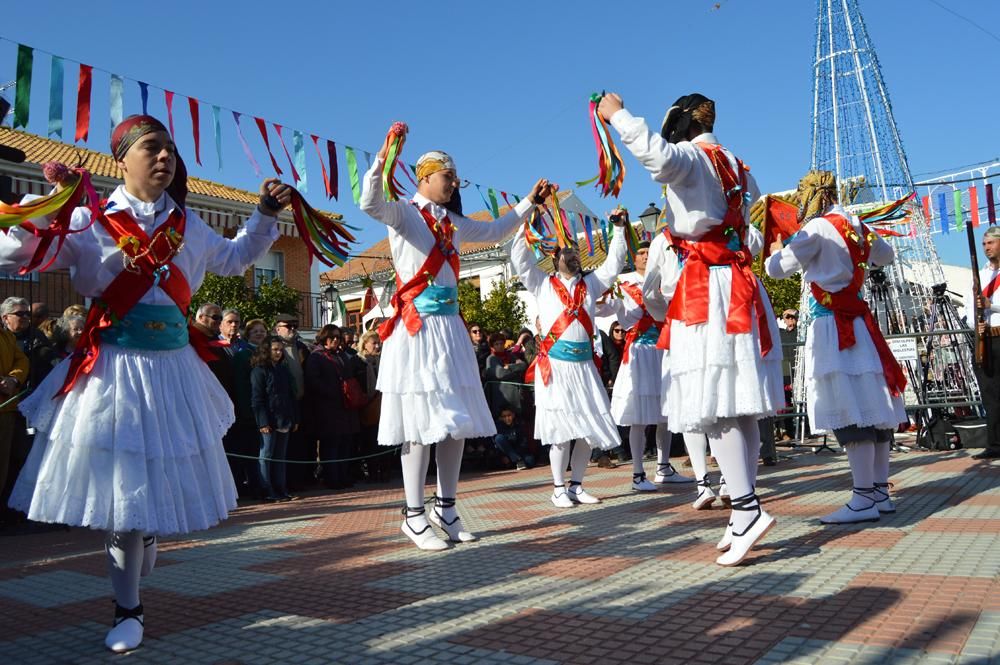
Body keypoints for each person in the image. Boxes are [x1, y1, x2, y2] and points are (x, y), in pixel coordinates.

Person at [0, 114, 290, 652]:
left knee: (149, 486)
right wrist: (41, 210)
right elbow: (15, 255)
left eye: (171, 152)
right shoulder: (89, 221)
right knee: (122, 497)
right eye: (152, 148)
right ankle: (127, 608)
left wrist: (265, 214)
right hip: (113, 371)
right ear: (122, 159)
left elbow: (234, 259)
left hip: (174, 370)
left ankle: (146, 535)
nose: (165, 159)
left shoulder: (189, 226)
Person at [601, 92, 784, 565]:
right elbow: (759, 237)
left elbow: (654, 157)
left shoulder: (690, 158)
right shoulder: (740, 167)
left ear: (680, 123)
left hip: (708, 288)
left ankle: (746, 510)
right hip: (741, 282)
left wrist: (615, 113)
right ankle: (741, 509)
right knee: (739, 404)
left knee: (714, 405)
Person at [360, 123, 554, 550]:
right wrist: (385, 155)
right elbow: (368, 200)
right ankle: (413, 516)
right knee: (419, 423)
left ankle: (446, 510)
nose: (453, 183)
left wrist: (529, 203)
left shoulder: (453, 222)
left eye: (454, 178)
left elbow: (497, 230)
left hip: (449, 329)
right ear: (424, 177)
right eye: (448, 177)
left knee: (455, 425)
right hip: (416, 330)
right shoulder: (404, 212)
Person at [766, 169, 906, 522]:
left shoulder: (816, 228)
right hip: (860, 320)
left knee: (849, 406)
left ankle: (862, 499)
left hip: (831, 323)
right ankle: (878, 492)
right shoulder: (857, 224)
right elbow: (886, 256)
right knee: (872, 403)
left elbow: (777, 269)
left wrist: (776, 249)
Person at [511, 210, 627, 507]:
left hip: (585, 367)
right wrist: (529, 223)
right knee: (561, 431)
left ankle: (576, 485)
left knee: (588, 431)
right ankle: (558, 488)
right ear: (554, 259)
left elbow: (614, 265)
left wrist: (619, 229)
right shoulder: (541, 283)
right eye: (566, 252)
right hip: (557, 368)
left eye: (575, 251)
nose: (573, 255)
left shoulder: (592, 285)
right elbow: (520, 260)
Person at [607, 239, 693, 491]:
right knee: (639, 417)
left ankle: (664, 467)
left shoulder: (668, 278)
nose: (645, 256)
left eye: (648, 252)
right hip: (640, 352)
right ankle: (637, 473)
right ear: (634, 259)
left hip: (664, 349)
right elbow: (621, 315)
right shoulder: (624, 285)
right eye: (641, 253)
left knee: (665, 412)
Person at [306, 324, 366, 490]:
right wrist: (333, 391)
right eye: (331, 337)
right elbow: (313, 381)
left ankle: (343, 475)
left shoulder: (342, 356)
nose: (335, 340)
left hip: (345, 407)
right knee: (331, 444)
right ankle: (331, 477)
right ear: (324, 338)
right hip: (327, 408)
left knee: (345, 443)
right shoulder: (316, 357)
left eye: (338, 337)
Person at [251, 336, 300, 503]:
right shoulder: (259, 370)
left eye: (280, 350)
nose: (279, 353)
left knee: (281, 456)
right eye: (275, 350)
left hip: (284, 418)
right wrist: (262, 422)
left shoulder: (283, 369)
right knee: (266, 456)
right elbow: (257, 399)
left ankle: (281, 489)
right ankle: (266, 490)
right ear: (267, 350)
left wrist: (294, 418)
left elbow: (291, 396)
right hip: (268, 420)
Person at [968, 226, 1000, 460]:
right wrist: (975, 326)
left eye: (991, 242)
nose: (987, 248)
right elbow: (972, 311)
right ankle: (995, 443)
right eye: (984, 244)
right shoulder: (980, 275)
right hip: (986, 339)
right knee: (989, 394)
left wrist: (993, 306)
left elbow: (989, 305)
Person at [229, 318, 269, 497]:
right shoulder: (243, 355)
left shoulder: (269, 353)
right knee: (252, 453)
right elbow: (241, 386)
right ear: (248, 335)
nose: (260, 334)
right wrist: (247, 412)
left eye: (262, 331)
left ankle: (264, 486)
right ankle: (255, 488)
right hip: (250, 413)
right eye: (255, 331)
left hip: (268, 412)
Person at [273, 313, 313, 490]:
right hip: (284, 404)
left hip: (303, 402)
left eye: (294, 326)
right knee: (284, 448)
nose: (292, 330)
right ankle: (285, 483)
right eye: (288, 326)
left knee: (301, 445)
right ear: (277, 328)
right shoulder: (273, 348)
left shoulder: (301, 347)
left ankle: (301, 479)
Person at [357, 330, 388, 482]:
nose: (377, 346)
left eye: (378, 343)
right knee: (369, 441)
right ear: (365, 344)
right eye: (373, 343)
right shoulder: (359, 361)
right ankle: (371, 471)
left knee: (381, 441)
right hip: (366, 406)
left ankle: (383, 470)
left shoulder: (383, 361)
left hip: (382, 405)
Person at [484, 331, 528, 416]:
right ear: (492, 346)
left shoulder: (510, 355)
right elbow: (500, 374)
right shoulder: (491, 358)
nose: (500, 346)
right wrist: (516, 371)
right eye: (496, 344)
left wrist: (510, 367)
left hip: (515, 396)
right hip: (500, 398)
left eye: (501, 343)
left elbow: (523, 365)